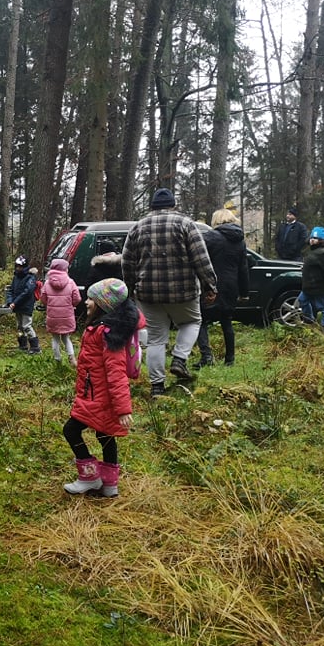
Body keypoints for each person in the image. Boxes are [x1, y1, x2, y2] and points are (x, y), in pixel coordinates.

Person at [122, 188, 217, 397]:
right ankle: (179, 359)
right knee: (192, 322)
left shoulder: (137, 228)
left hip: (147, 293)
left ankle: (157, 387)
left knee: (156, 339)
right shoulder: (185, 224)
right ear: (173, 205)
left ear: (152, 206)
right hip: (183, 291)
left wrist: (129, 290)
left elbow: (127, 263)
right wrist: (210, 285)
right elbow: (201, 259)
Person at [62, 278, 140, 498]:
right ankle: (109, 486)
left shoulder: (107, 334)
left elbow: (117, 373)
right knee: (104, 436)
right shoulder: (101, 329)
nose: (86, 302)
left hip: (99, 397)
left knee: (71, 430)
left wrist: (123, 409)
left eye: (91, 299)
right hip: (96, 393)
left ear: (104, 305)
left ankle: (90, 477)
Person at [195, 209, 249, 368]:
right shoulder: (239, 241)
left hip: (211, 285)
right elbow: (243, 269)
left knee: (201, 321)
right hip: (231, 287)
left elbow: (199, 260)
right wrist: (244, 292)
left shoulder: (210, 238)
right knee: (227, 321)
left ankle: (206, 356)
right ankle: (230, 359)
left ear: (216, 221)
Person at [40, 258, 81, 366]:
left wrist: (49, 305)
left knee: (55, 338)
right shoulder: (70, 282)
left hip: (53, 315)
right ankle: (72, 358)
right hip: (67, 314)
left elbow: (43, 298)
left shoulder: (47, 283)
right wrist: (72, 305)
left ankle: (58, 360)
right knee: (66, 337)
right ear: (64, 269)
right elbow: (77, 298)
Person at [298, 226, 324, 333]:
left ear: (321, 240)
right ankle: (309, 321)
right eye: (311, 238)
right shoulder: (314, 251)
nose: (312, 240)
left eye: (315, 238)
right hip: (309, 286)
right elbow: (316, 266)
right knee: (302, 300)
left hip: (321, 288)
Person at [6, 255, 41, 354]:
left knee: (27, 326)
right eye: (17, 266)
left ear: (25, 266)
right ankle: (23, 344)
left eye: (20, 266)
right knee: (19, 326)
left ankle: (35, 347)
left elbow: (27, 292)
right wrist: (10, 301)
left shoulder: (30, 278)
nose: (18, 268)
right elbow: (11, 290)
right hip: (17, 306)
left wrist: (15, 302)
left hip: (26, 306)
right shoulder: (16, 277)